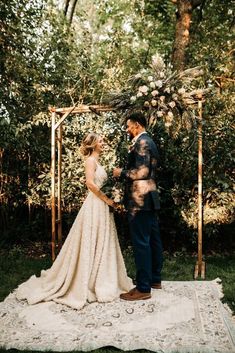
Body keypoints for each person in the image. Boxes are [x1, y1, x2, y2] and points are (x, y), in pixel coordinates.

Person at [16, 132, 132, 310]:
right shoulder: (90, 161)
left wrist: (113, 194)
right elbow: (90, 184)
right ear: (93, 144)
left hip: (101, 206)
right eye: (100, 141)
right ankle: (86, 280)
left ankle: (100, 277)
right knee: (91, 238)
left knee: (102, 240)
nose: (103, 143)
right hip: (95, 204)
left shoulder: (98, 162)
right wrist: (108, 199)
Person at [113, 112, 163, 301]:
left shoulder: (142, 143)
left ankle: (143, 288)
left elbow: (142, 171)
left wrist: (121, 172)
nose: (127, 129)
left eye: (129, 126)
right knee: (152, 240)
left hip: (140, 199)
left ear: (137, 125)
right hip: (150, 197)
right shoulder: (150, 141)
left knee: (141, 242)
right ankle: (154, 279)